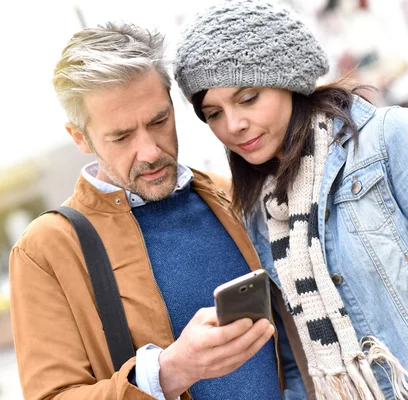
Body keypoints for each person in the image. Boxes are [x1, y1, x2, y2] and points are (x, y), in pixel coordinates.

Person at [9, 21, 309, 400]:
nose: (150, 151)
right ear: (79, 138)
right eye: (121, 137)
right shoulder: (46, 249)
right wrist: (169, 373)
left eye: (159, 121)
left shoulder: (232, 196)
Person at [173, 1, 408, 399]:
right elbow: (296, 359)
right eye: (213, 113)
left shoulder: (387, 140)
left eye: (248, 98)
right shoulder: (257, 213)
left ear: (289, 79)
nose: (233, 125)